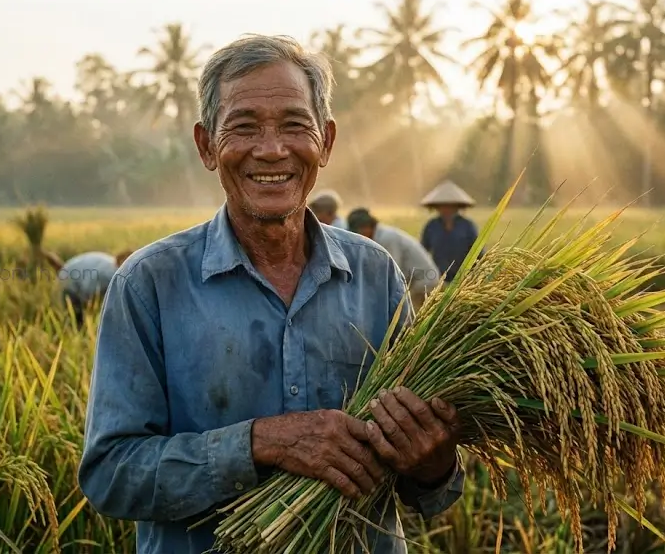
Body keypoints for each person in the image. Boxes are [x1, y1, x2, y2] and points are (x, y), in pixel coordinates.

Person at [77, 34, 463, 554]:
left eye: (293, 125)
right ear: (207, 145)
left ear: (324, 142)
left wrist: (434, 463)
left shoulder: (377, 276)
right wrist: (261, 443)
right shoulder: (149, 284)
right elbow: (111, 475)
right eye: (244, 127)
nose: (272, 149)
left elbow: (432, 489)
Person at [347, 207, 440, 311]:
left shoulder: (387, 238)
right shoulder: (377, 238)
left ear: (367, 227)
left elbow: (393, 270)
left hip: (423, 282)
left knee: (409, 319)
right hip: (414, 282)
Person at [40, 249, 132, 328]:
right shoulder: (110, 273)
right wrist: (90, 306)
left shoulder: (114, 269)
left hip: (72, 273)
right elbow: (88, 288)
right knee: (76, 321)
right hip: (70, 282)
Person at [419, 180, 482, 283]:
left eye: (450, 205)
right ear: (437, 207)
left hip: (464, 280)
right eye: (443, 205)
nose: (446, 209)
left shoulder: (467, 226)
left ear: (457, 206)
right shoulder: (431, 226)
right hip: (438, 279)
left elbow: (479, 253)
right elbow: (422, 252)